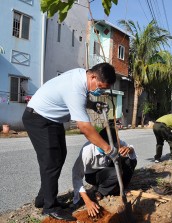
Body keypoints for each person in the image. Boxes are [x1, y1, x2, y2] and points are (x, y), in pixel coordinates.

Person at [22, 63, 116, 221]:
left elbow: (78, 100)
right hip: (38, 118)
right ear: (93, 76)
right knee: (51, 161)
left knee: (59, 156)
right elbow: (85, 128)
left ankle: (43, 198)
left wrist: (93, 105)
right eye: (100, 86)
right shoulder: (76, 88)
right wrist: (108, 149)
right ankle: (49, 207)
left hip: (52, 120)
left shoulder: (81, 76)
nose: (100, 91)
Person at [72, 124, 137, 217]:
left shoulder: (114, 142)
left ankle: (121, 188)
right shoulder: (87, 151)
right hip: (93, 175)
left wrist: (129, 149)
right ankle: (101, 191)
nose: (114, 147)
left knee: (129, 161)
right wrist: (87, 201)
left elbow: (131, 150)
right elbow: (76, 176)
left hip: (107, 167)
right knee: (116, 173)